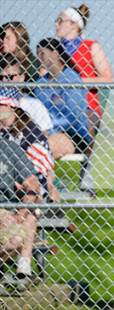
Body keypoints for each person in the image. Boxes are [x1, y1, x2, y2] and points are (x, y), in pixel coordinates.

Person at [55, 4, 114, 193]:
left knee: (86, 125)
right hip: (57, 107)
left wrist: (75, 81)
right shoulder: (53, 50)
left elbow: (107, 78)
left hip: (86, 107)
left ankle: (88, 182)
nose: (56, 24)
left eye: (60, 20)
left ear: (74, 24)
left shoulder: (90, 46)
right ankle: (49, 183)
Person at [34, 38, 91, 160]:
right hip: (45, 133)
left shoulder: (71, 79)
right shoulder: (40, 84)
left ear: (55, 53)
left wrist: (50, 129)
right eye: (37, 54)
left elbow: (74, 115)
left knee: (45, 147)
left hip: (73, 133)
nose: (39, 57)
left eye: (42, 53)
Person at [0, 94, 58, 202]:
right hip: (13, 174)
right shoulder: (5, 130)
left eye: (1, 105)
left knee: (32, 187)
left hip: (32, 173)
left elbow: (40, 163)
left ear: (11, 107)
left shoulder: (29, 130)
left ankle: (42, 206)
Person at [0, 137, 40, 291]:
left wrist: (21, 213)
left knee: (30, 216)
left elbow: (33, 183)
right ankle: (24, 263)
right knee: (16, 237)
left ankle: (24, 265)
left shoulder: (10, 148)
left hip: (11, 209)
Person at [0, 53, 53, 135]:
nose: (4, 81)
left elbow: (44, 136)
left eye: (10, 77)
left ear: (22, 78)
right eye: (0, 77)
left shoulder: (34, 105)